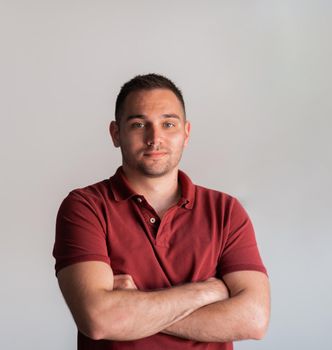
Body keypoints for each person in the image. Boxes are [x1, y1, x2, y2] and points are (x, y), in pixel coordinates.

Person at [53, 74, 270, 350]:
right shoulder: (85, 207)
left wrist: (133, 309)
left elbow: (254, 319)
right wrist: (205, 292)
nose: (155, 138)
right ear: (116, 133)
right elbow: (99, 319)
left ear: (186, 133)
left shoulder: (226, 211)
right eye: (139, 124)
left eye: (168, 124)